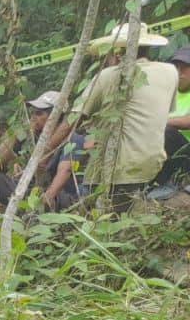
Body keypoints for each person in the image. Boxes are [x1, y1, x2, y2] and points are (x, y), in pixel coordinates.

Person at [65, 26, 177, 197]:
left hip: (115, 167)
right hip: (152, 163)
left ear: (117, 53)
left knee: (94, 206)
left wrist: (43, 156)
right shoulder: (170, 72)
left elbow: (72, 120)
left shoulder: (108, 76)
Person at [158, 46, 190, 187]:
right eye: (177, 67)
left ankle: (169, 182)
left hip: (186, 153)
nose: (180, 72)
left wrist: (157, 122)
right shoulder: (168, 91)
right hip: (165, 151)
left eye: (185, 67)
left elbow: (187, 122)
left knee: (166, 131)